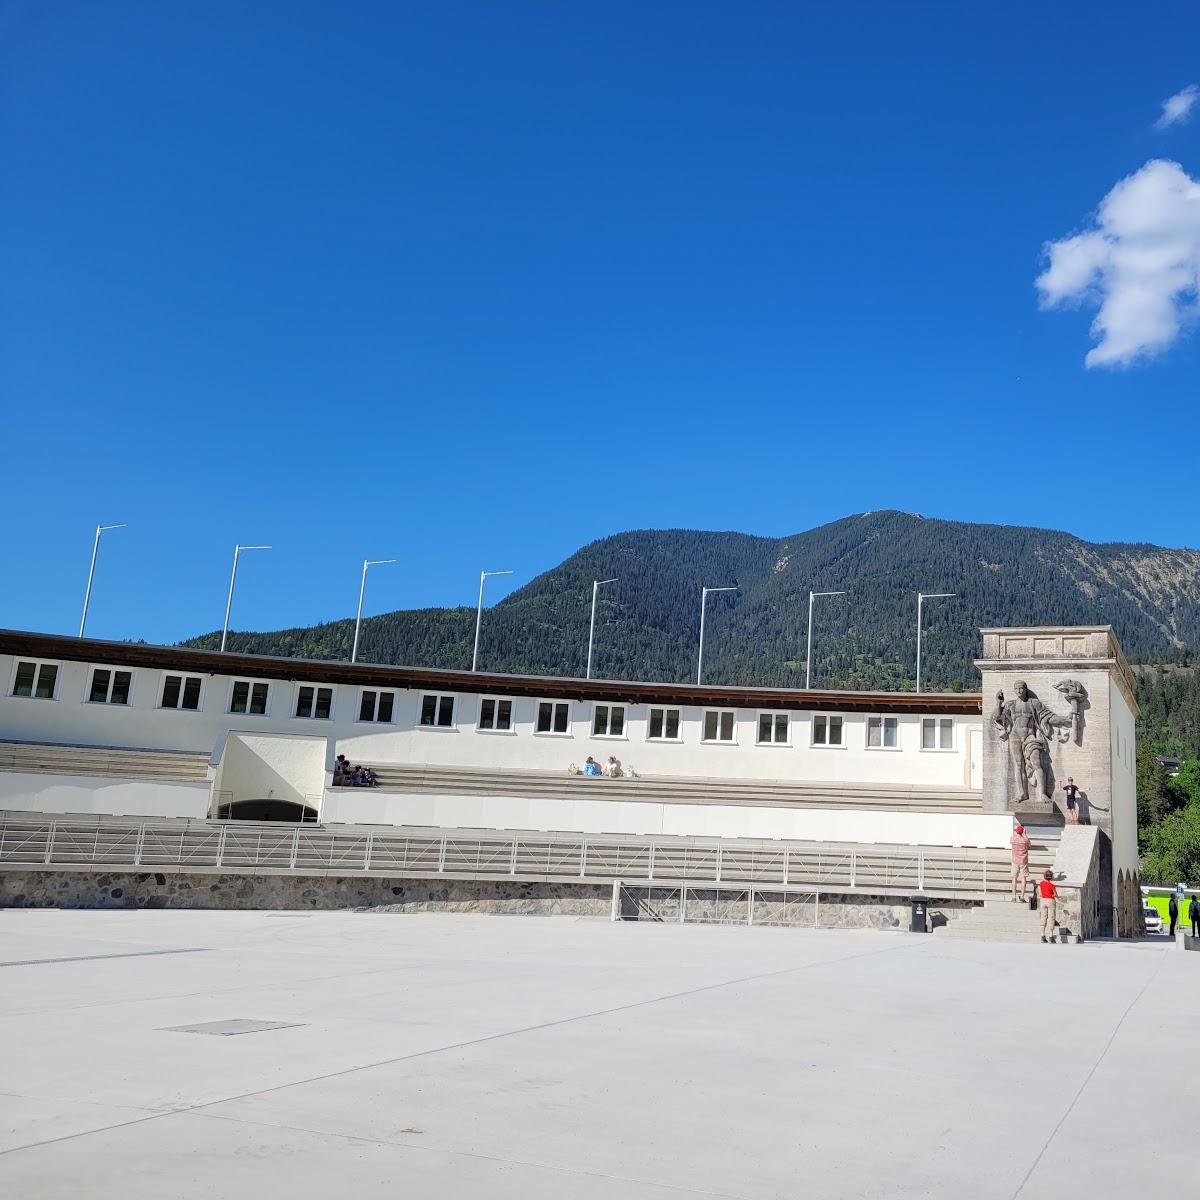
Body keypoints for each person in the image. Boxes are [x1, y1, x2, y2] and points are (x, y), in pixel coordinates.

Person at [1010, 824, 1031, 903]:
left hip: (1015, 860)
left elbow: (1013, 837)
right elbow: (1029, 845)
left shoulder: (1013, 839)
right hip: (1023, 861)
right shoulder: (1025, 840)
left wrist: (1017, 831)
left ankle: (1014, 897)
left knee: (1014, 878)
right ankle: (1022, 897)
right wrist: (1024, 834)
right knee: (1023, 878)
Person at [1038, 870, 1058, 943]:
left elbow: (1040, 893)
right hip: (1050, 901)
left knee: (1043, 917)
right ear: (1051, 877)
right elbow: (1055, 894)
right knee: (1051, 918)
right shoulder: (1052, 885)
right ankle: (1051, 936)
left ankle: (1042, 935)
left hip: (1043, 901)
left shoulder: (1041, 883)